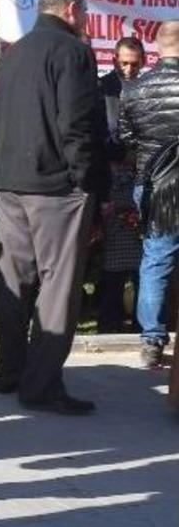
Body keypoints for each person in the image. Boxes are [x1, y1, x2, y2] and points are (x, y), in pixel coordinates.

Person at [0, 0, 108, 414]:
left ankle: (8, 372)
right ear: (73, 10)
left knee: (13, 281)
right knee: (58, 286)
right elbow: (77, 125)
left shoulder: (12, 55)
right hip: (58, 186)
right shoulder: (74, 52)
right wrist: (87, 181)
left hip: (12, 182)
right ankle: (40, 384)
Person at [119, 22, 179, 368]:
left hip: (153, 183)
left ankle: (152, 343)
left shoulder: (135, 89)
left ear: (155, 50)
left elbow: (126, 139)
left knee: (156, 258)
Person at [97, 38, 145, 334]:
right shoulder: (102, 88)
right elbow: (98, 134)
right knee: (111, 262)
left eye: (134, 63)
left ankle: (143, 323)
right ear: (113, 59)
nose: (128, 69)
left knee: (143, 260)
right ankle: (109, 322)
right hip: (111, 181)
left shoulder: (148, 86)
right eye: (123, 62)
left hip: (141, 177)